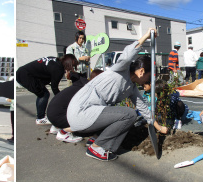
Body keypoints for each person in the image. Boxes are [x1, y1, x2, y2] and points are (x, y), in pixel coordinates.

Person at [66, 29, 168, 162]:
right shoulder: (121, 68)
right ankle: (98, 147)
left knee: (119, 112)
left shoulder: (131, 87)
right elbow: (127, 55)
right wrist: (146, 36)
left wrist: (159, 128)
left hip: (87, 114)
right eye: (149, 78)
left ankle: (96, 138)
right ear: (142, 72)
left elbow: (143, 108)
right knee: (130, 114)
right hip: (81, 111)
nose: (149, 82)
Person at [16, 54, 78, 125]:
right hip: (25, 76)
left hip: (22, 72)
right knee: (43, 94)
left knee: (42, 93)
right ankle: (40, 118)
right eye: (72, 66)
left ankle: (41, 116)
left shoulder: (55, 61)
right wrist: (62, 101)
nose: (71, 68)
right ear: (68, 64)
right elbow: (54, 87)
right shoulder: (58, 69)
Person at [47, 69, 103, 143]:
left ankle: (56, 127)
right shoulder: (86, 90)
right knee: (88, 118)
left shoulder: (80, 85)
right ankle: (64, 132)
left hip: (52, 115)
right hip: (58, 117)